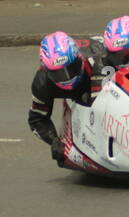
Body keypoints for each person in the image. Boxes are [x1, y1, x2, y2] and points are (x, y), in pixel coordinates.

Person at [28, 31, 96, 163]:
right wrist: (54, 141)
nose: (67, 77)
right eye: (58, 73)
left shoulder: (97, 58)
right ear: (47, 70)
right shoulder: (41, 83)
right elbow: (37, 119)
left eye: (71, 68)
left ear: (78, 57)